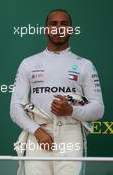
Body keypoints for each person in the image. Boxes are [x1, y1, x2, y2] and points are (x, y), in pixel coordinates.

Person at [10, 9, 104, 175]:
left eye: (64, 24)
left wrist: (71, 110)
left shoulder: (84, 65)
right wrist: (38, 132)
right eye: (53, 24)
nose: (59, 28)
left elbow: (98, 109)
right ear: (46, 30)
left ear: (71, 30)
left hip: (70, 134)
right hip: (38, 133)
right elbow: (15, 109)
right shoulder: (28, 63)